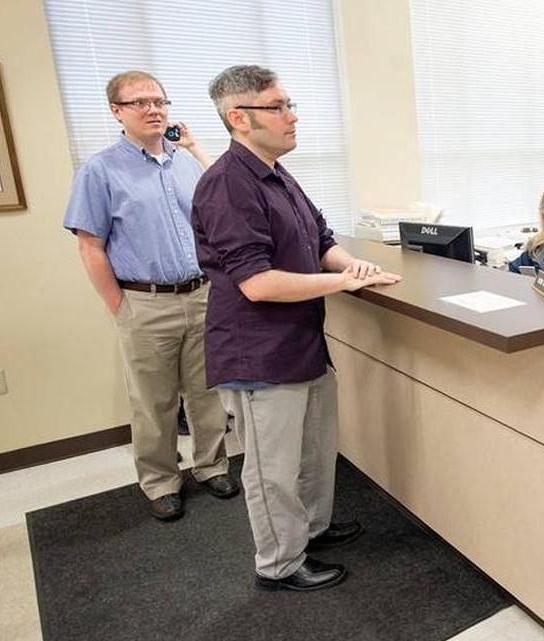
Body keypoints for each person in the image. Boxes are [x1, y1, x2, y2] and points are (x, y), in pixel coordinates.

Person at [193, 65, 401, 592]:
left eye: (289, 104)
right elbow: (257, 284)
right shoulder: (226, 185)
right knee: (272, 469)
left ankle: (312, 529)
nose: (292, 116)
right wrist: (342, 285)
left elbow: (321, 236)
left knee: (313, 450)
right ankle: (280, 563)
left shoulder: (277, 172)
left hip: (302, 343)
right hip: (258, 354)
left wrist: (353, 267)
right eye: (279, 107)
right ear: (239, 118)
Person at [63, 70, 236, 522]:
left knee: (207, 393)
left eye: (159, 101)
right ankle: (161, 481)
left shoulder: (184, 162)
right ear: (116, 111)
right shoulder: (99, 170)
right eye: (139, 102)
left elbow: (223, 209)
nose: (153, 109)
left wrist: (195, 148)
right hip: (144, 302)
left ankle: (212, 464)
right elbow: (89, 246)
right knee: (153, 402)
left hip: (201, 294)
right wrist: (120, 306)